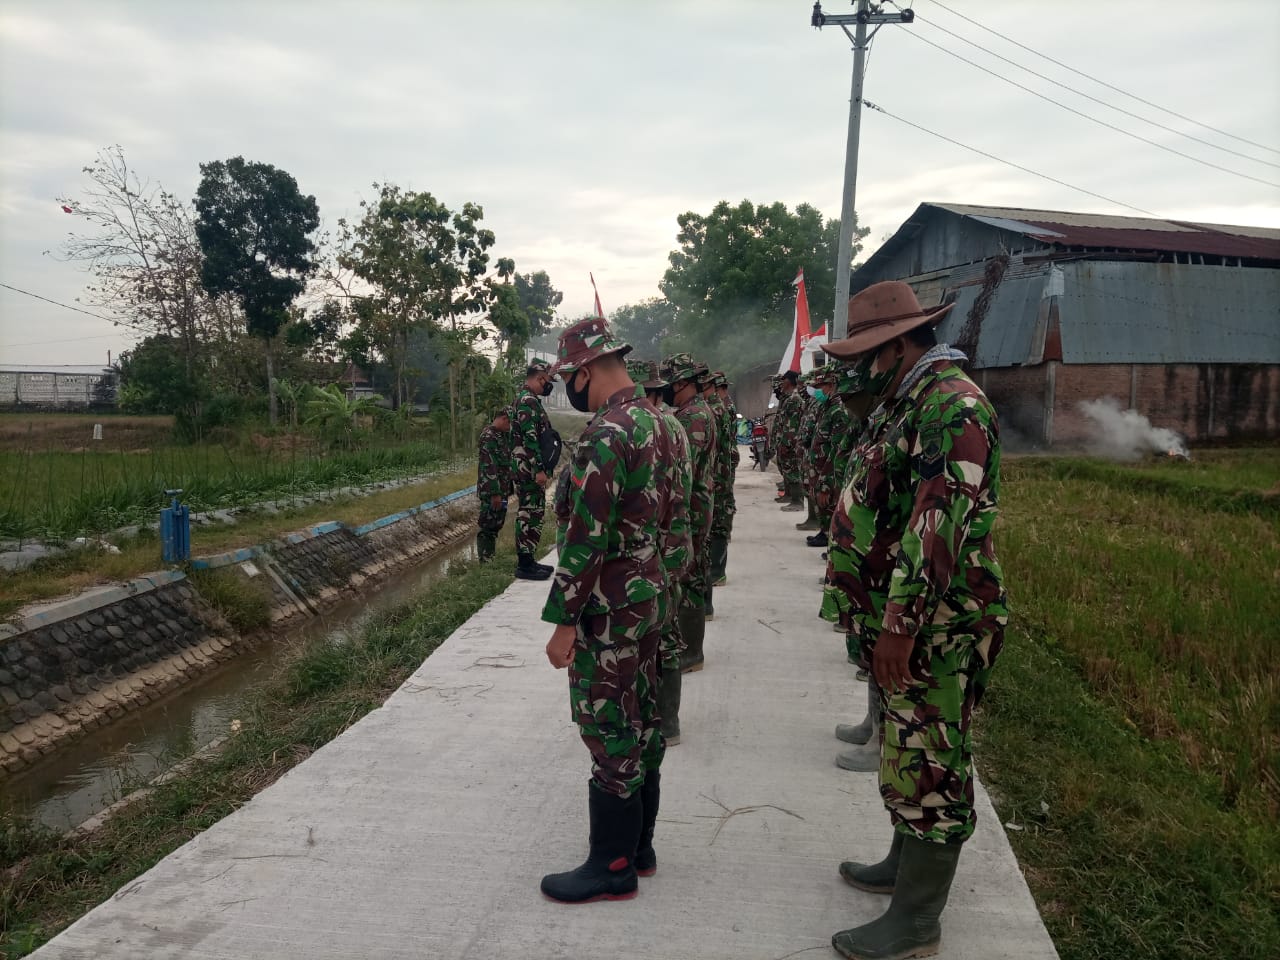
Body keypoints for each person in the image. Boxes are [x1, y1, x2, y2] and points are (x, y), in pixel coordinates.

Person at [819, 281, 1008, 960]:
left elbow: (939, 525)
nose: (855, 370)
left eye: (864, 355)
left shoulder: (953, 407)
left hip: (939, 627)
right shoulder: (909, 402)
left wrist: (901, 625)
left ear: (896, 346)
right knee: (907, 753)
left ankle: (918, 921)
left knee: (932, 764)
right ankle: (901, 867)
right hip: (907, 618)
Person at [540, 318, 677, 904]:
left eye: (570, 377)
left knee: (608, 727)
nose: (569, 388)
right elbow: (676, 519)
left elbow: (586, 537)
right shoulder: (665, 425)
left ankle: (612, 866)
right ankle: (640, 848)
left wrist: (563, 621)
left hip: (609, 610)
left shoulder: (607, 434)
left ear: (587, 370)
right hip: (648, 600)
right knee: (642, 719)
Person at [628, 358, 692, 745]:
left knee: (656, 638)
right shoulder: (674, 425)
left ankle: (662, 722)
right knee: (664, 634)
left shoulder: (644, 427)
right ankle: (664, 721)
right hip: (671, 544)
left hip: (653, 550)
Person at [659, 353, 717, 673]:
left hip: (692, 510)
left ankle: (692, 652)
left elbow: (684, 471)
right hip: (698, 506)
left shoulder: (692, 417)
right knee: (693, 577)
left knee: (690, 580)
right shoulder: (694, 412)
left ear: (681, 382)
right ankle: (692, 649)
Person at [511, 358, 558, 581]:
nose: (548, 385)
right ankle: (525, 564)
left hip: (528, 467)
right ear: (540, 378)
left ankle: (529, 560)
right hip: (528, 468)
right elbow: (531, 438)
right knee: (528, 513)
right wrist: (539, 469)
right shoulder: (527, 401)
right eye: (548, 381)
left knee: (534, 512)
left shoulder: (530, 400)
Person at [709, 372, 738, 590]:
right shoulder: (723, 408)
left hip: (718, 474)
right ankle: (717, 571)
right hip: (722, 472)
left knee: (718, 522)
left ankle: (717, 572)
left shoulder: (719, 409)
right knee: (720, 519)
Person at [474, 407, 514, 562]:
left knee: (496, 523)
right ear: (503, 418)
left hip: (502, 488)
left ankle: (490, 557)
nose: (510, 426)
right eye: (509, 422)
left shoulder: (502, 436)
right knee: (487, 526)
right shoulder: (489, 437)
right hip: (492, 491)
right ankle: (485, 561)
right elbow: (489, 466)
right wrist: (494, 493)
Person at [772, 370, 805, 511]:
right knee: (787, 468)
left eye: (784, 379)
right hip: (786, 440)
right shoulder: (788, 398)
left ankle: (797, 501)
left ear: (789, 381)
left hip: (790, 441)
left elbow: (792, 425)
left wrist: (786, 443)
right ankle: (790, 496)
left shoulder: (794, 399)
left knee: (792, 470)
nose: (781, 382)